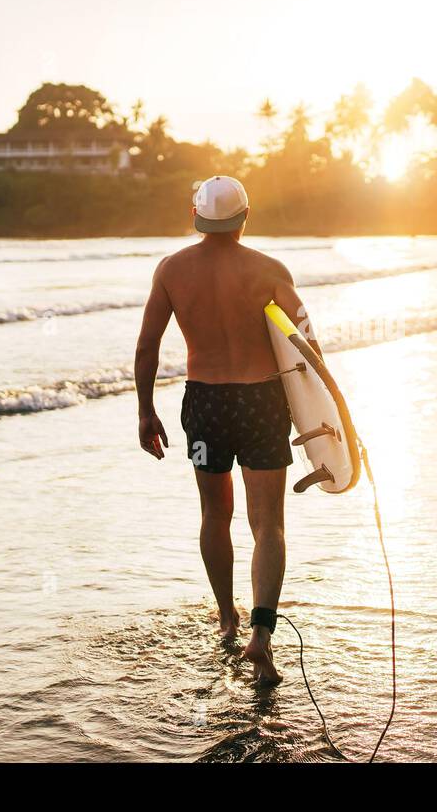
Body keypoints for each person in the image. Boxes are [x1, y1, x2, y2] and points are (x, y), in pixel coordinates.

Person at [135, 175, 319, 684]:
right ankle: (261, 634)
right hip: (262, 402)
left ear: (196, 215)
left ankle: (226, 618)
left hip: (205, 405)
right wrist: (323, 421)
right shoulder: (270, 270)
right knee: (268, 524)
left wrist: (146, 411)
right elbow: (307, 347)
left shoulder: (173, 270)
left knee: (215, 515)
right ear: (245, 216)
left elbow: (147, 345)